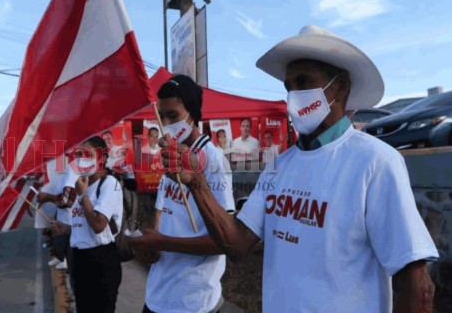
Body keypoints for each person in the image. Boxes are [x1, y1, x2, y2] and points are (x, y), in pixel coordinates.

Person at [163, 25, 439, 312]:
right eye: (288, 86)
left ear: (341, 85)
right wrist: (197, 183)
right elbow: (236, 243)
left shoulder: (375, 161)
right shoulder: (280, 165)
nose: (293, 94)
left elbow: (415, 282)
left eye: (303, 81)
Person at [128, 75, 235, 313]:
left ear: (192, 114)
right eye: (162, 117)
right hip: (157, 294)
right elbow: (163, 215)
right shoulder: (170, 158)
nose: (166, 124)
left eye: (173, 116)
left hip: (192, 301)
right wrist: (151, 244)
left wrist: (163, 242)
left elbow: (225, 240)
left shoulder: (213, 161)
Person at [51, 136, 123, 313]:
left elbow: (98, 225)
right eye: (80, 155)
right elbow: (82, 223)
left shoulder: (109, 184)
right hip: (79, 260)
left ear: (103, 158)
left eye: (89, 154)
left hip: (101, 260)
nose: (83, 159)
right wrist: (66, 228)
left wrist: (84, 196)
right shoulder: (82, 186)